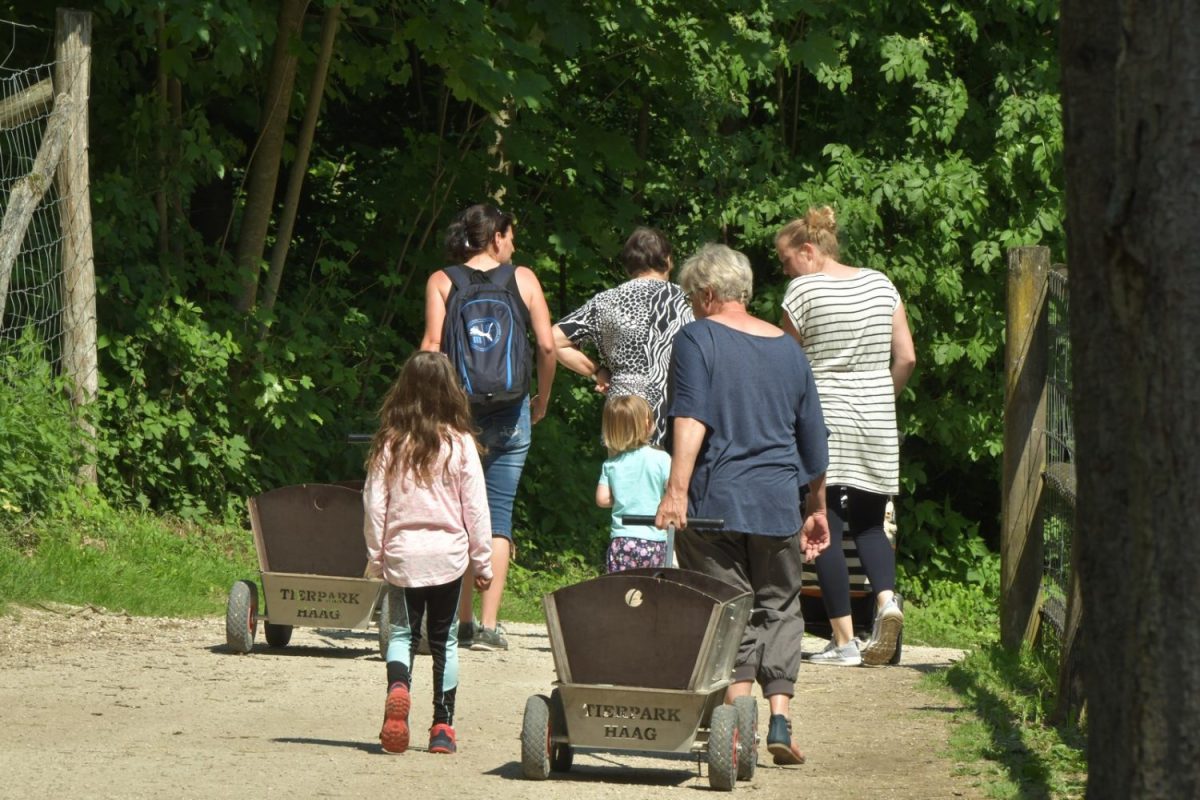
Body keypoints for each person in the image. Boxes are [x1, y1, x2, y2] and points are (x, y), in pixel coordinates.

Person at [654, 243, 831, 766]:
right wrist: (815, 507)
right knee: (778, 605)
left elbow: (690, 415)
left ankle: (738, 725)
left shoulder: (696, 338)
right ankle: (778, 717)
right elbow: (814, 441)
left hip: (714, 503)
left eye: (690, 296)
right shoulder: (788, 350)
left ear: (708, 294)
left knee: (728, 607)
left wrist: (676, 489)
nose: (689, 306)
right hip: (777, 502)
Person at [777, 206, 917, 667]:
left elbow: (787, 367)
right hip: (877, 418)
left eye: (785, 260)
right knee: (872, 522)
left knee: (825, 525)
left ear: (808, 250)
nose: (785, 270)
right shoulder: (882, 283)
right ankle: (886, 604)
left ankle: (842, 641)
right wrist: (880, 395)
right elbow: (907, 357)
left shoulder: (802, 290)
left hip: (826, 419)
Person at [420, 204, 556, 652]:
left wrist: (428, 409)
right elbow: (547, 345)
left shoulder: (442, 280)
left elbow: (433, 347)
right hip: (513, 411)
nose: (514, 244)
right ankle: (490, 625)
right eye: (511, 235)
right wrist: (543, 397)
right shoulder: (523, 278)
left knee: (458, 514)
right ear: (496, 236)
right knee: (498, 515)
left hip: (458, 413)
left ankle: (458, 622)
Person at [363, 351, 494, 755]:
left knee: (402, 633)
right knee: (445, 640)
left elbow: (374, 503)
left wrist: (376, 554)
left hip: (403, 555)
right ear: (451, 390)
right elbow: (476, 506)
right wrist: (482, 560)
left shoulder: (390, 442)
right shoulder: (461, 444)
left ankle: (399, 686)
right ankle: (442, 727)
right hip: (448, 557)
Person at [553, 227, 693, 446]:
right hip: (677, 412)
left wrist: (598, 372)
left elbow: (554, 341)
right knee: (674, 480)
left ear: (629, 265)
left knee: (621, 477)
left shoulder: (605, 301)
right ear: (668, 260)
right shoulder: (688, 301)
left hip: (624, 414)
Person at [595, 394, 672, 573]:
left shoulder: (611, 464)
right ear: (647, 425)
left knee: (621, 590)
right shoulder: (662, 459)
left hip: (622, 541)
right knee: (652, 591)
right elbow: (671, 491)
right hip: (654, 540)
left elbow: (602, 499)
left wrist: (622, 497)